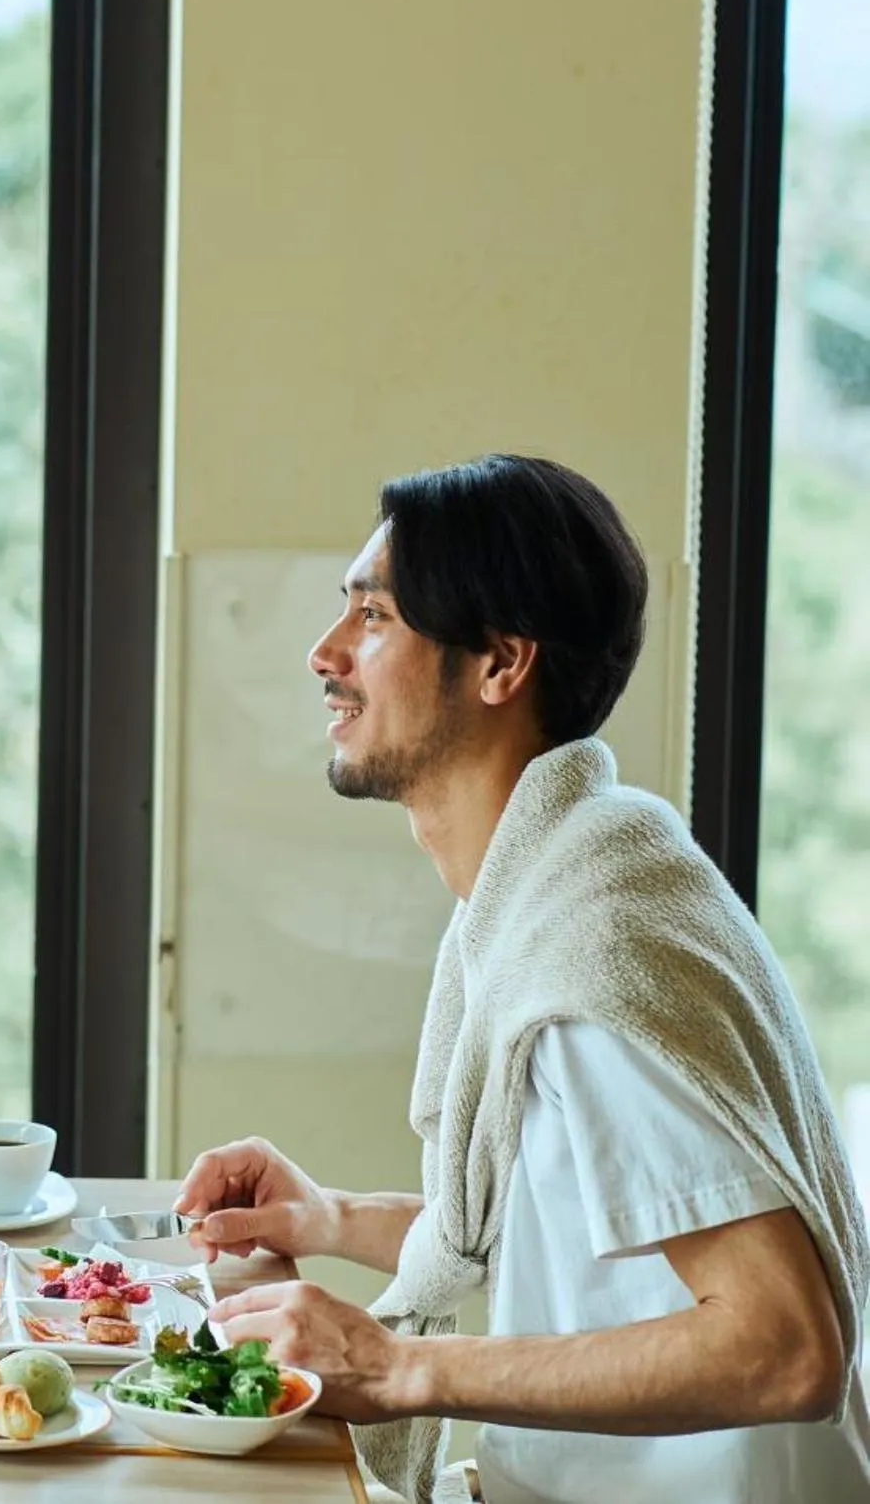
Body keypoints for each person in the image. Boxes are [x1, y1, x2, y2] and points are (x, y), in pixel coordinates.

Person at [174, 455, 870, 1504]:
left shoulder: (600, 956)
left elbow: (784, 1347)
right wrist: (330, 1219)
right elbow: (591, 1242)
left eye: (374, 618)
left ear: (500, 662)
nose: (324, 654)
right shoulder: (574, 890)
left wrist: (400, 1366)